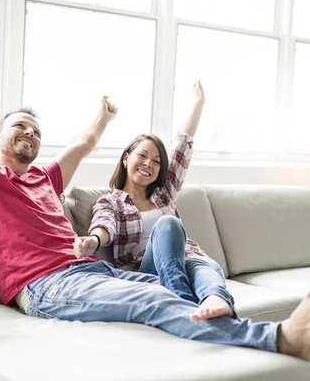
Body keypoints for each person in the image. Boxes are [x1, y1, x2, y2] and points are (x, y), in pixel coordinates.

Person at [0, 0, 310, 361]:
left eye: (37, 131)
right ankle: (277, 339)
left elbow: (83, 143)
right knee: (152, 296)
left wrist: (103, 118)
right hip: (43, 284)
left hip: (91, 271)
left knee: (171, 288)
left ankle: (211, 340)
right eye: (20, 126)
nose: (30, 133)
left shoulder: (46, 178)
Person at [81, 82, 238, 322]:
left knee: (202, 265)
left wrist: (198, 103)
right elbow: (105, 225)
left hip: (190, 261)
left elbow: (183, 146)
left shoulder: (164, 193)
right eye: (142, 156)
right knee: (168, 224)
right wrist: (93, 241)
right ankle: (182, 300)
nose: (148, 164)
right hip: (149, 271)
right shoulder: (111, 201)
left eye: (156, 161)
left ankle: (215, 299)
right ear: (126, 159)